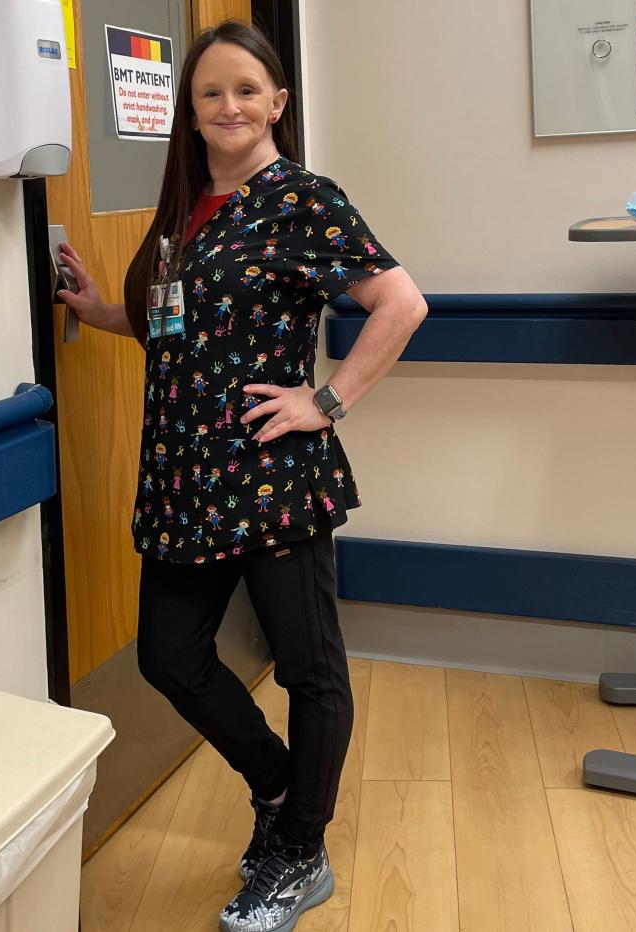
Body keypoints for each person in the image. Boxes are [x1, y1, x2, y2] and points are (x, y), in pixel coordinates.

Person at [57, 20, 425, 932]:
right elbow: (174, 328)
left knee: (309, 670)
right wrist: (100, 308)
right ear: (190, 112)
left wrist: (325, 401)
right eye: (212, 93)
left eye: (247, 91)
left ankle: (300, 853)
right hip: (185, 480)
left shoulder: (301, 198)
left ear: (277, 105)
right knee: (168, 658)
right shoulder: (186, 208)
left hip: (271, 479)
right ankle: (279, 787)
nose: (230, 107)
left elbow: (400, 301)